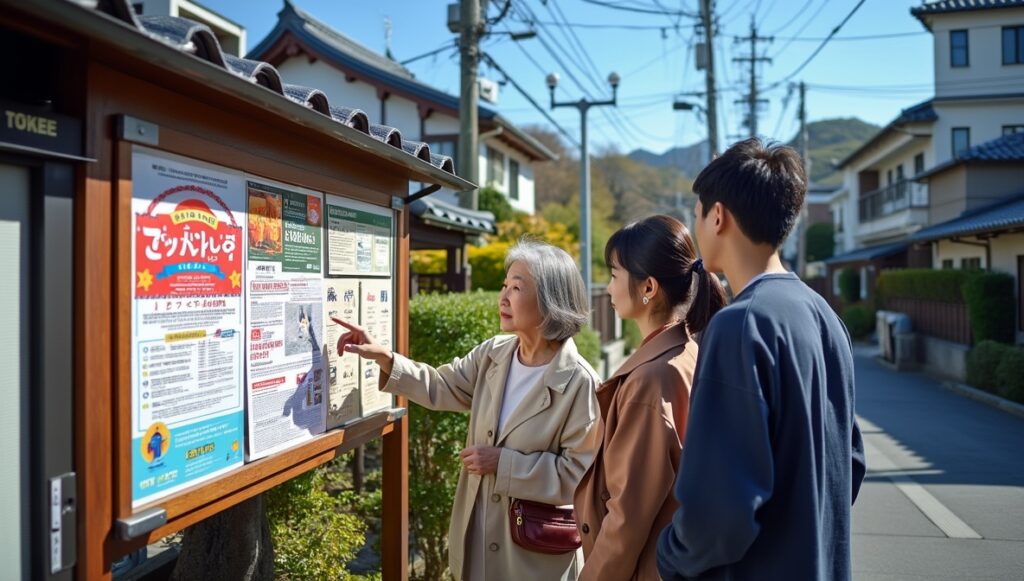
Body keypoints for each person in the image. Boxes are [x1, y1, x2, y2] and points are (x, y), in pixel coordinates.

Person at [656, 138, 867, 580]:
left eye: (697, 213)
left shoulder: (740, 325)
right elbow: (850, 463)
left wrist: (670, 557)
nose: (697, 226)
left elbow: (718, 513)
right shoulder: (826, 316)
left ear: (718, 216)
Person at [334, 240, 600, 581]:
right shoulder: (495, 353)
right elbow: (442, 386)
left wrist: (502, 464)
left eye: (517, 288)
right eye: (505, 285)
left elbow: (579, 477)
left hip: (535, 557)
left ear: (551, 302)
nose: (503, 297)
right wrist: (387, 359)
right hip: (478, 539)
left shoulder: (580, 383)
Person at [574, 215, 725, 580]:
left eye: (614, 275)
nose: (608, 289)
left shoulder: (649, 379)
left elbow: (628, 516)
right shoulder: (686, 352)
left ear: (649, 287)